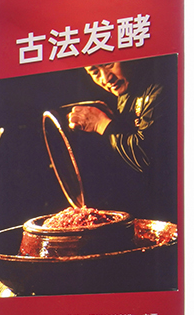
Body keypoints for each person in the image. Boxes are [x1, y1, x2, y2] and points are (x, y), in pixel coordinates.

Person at [61, 58, 174, 220]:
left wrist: (102, 124)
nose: (106, 78)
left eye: (108, 64)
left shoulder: (159, 88)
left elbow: (147, 157)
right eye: (95, 72)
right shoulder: (127, 94)